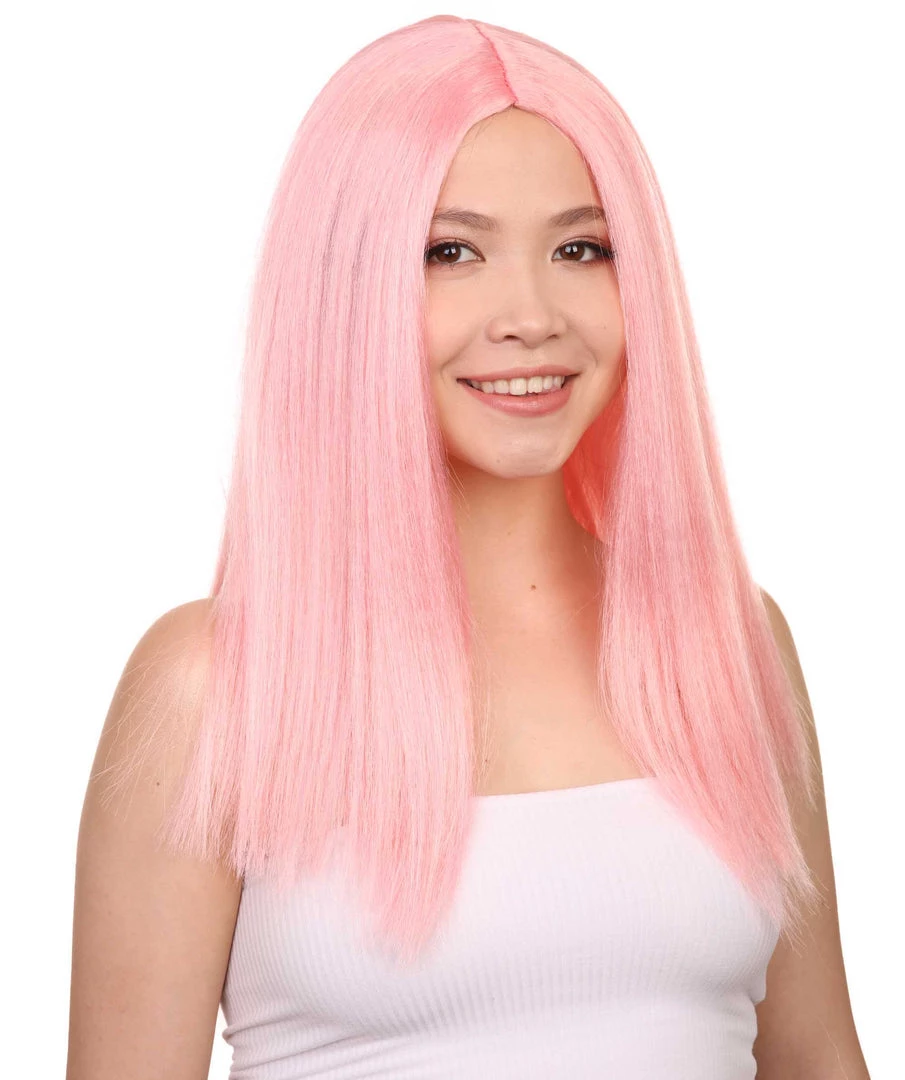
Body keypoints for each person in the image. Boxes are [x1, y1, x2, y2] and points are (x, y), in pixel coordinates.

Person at [67, 15, 871, 1080]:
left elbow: (818, 1057)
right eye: (450, 252)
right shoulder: (212, 688)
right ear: (344, 289)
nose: (529, 315)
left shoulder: (728, 643)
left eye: (580, 248)